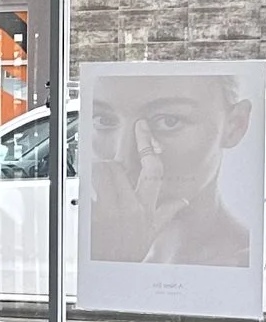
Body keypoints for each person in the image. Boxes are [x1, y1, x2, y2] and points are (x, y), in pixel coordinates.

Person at [85, 69, 254, 268]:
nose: (123, 157)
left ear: (234, 125)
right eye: (104, 120)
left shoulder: (244, 263)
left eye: (169, 121)